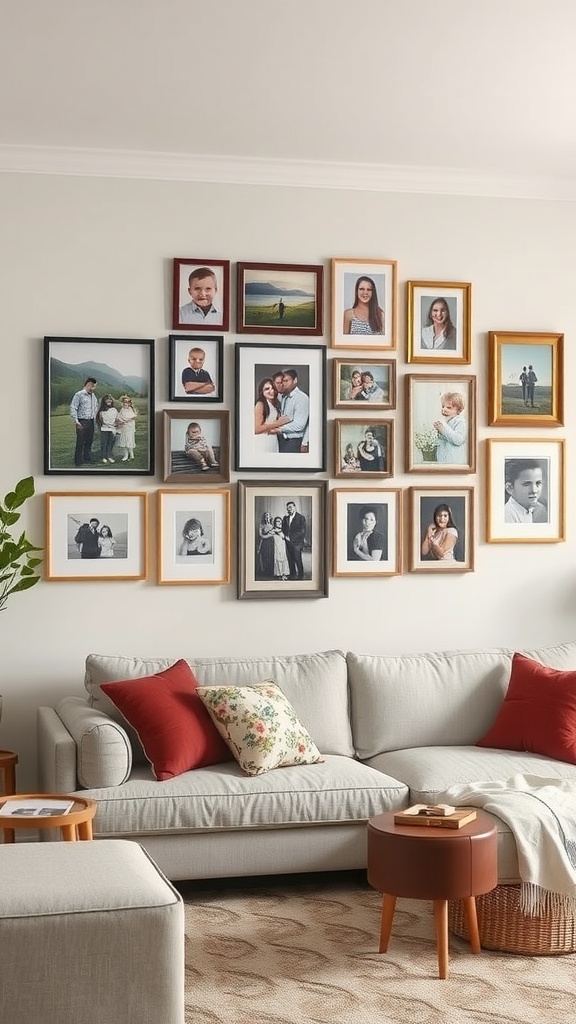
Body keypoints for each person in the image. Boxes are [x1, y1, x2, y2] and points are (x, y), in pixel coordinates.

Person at [253, 378, 291, 452]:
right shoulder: (260, 404)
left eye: (273, 388)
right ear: (262, 392)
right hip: (262, 442)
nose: (271, 391)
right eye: (267, 389)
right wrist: (278, 423)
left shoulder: (274, 404)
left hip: (273, 441)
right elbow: (256, 429)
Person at [278, 369, 309, 453]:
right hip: (281, 440)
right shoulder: (283, 396)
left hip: (294, 442)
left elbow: (299, 425)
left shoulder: (301, 398)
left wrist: (278, 428)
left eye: (286, 381)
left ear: (295, 380)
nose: (283, 384)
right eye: (282, 381)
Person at [70, 377, 98, 467]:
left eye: (95, 386)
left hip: (91, 421)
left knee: (89, 441)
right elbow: (73, 407)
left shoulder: (93, 396)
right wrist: (76, 421)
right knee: (80, 442)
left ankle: (87, 458)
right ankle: (78, 461)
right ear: (88, 384)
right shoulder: (79, 394)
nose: (94, 388)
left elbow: (95, 407)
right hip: (82, 421)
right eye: (93, 386)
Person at [433, 392, 468, 464]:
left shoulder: (459, 421)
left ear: (459, 409)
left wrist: (443, 429)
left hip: (454, 460)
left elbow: (458, 440)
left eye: (449, 407)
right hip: (443, 460)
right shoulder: (446, 420)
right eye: (443, 406)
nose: (444, 409)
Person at [282, 501, 306, 580]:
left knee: (298, 559)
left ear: (295, 507)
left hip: (297, 543)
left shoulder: (301, 518)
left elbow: (302, 531)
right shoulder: (286, 518)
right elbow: (284, 529)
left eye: (290, 507)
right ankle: (292, 575)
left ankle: (300, 576)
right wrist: (285, 536)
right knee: (290, 559)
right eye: (287, 508)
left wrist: (291, 537)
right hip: (288, 542)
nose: (289, 509)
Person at [97, 394, 118, 464]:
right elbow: (101, 420)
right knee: (104, 443)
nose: (109, 400)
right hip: (105, 429)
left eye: (110, 399)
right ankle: (103, 457)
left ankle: (109, 456)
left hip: (112, 429)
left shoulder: (114, 410)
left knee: (110, 443)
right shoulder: (101, 411)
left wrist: (116, 424)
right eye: (107, 399)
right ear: (104, 401)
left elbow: (116, 419)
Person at [116, 395, 138, 461]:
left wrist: (127, 420)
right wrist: (121, 421)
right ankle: (125, 455)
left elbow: (133, 417)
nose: (125, 403)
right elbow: (119, 417)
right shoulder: (122, 410)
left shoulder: (131, 409)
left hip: (129, 427)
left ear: (129, 403)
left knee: (129, 440)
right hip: (124, 427)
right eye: (124, 402)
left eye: (127, 402)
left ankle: (131, 454)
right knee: (124, 440)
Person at [256, 512, 275, 578]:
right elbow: (260, 535)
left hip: (271, 543)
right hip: (264, 543)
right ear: (264, 517)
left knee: (271, 556)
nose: (267, 518)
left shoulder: (273, 525)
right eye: (266, 516)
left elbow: (275, 533)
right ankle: (265, 572)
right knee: (265, 556)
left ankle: (271, 572)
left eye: (268, 516)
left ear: (270, 517)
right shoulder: (262, 525)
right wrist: (268, 535)